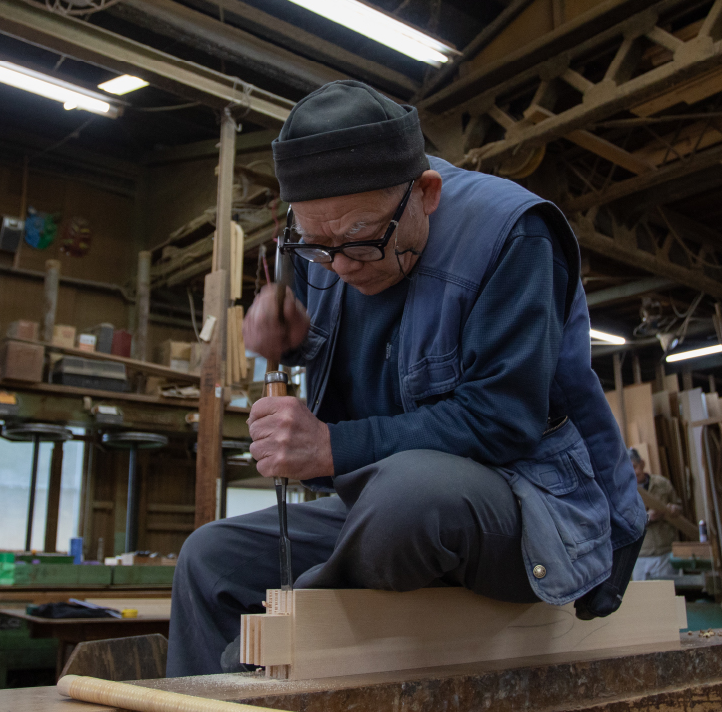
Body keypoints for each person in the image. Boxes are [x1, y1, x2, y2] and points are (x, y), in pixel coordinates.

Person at [167, 81, 647, 677]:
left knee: (411, 493)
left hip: (531, 503)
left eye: (362, 243)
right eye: (320, 246)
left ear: (426, 193)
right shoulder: (321, 236)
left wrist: (328, 447)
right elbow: (336, 315)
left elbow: (503, 421)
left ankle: (265, 653)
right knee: (209, 557)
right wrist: (287, 333)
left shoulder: (512, 235)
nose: (339, 266)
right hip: (378, 506)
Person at [629, 449, 684, 581]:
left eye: (635, 467)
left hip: (665, 551)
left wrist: (675, 509)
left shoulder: (662, 484)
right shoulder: (625, 492)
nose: (633, 473)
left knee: (667, 594)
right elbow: (625, 522)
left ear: (642, 464)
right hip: (641, 555)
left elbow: (678, 506)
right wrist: (647, 517)